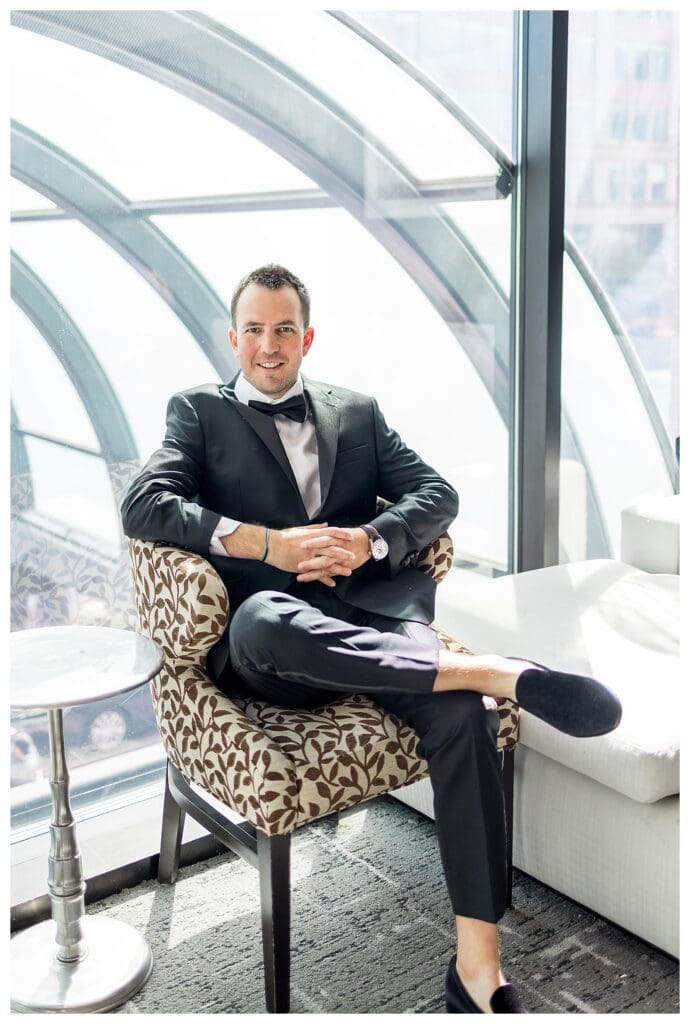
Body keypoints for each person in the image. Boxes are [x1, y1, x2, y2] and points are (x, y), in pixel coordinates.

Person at [121, 264, 621, 1014]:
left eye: (284, 328)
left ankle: (478, 969)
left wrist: (369, 540)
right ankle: (492, 669)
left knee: (460, 715)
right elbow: (144, 504)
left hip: (374, 619)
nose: (268, 345)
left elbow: (437, 494)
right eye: (254, 330)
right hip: (278, 644)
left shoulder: (355, 412)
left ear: (307, 337)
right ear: (234, 338)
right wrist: (268, 546)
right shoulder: (197, 413)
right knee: (258, 618)